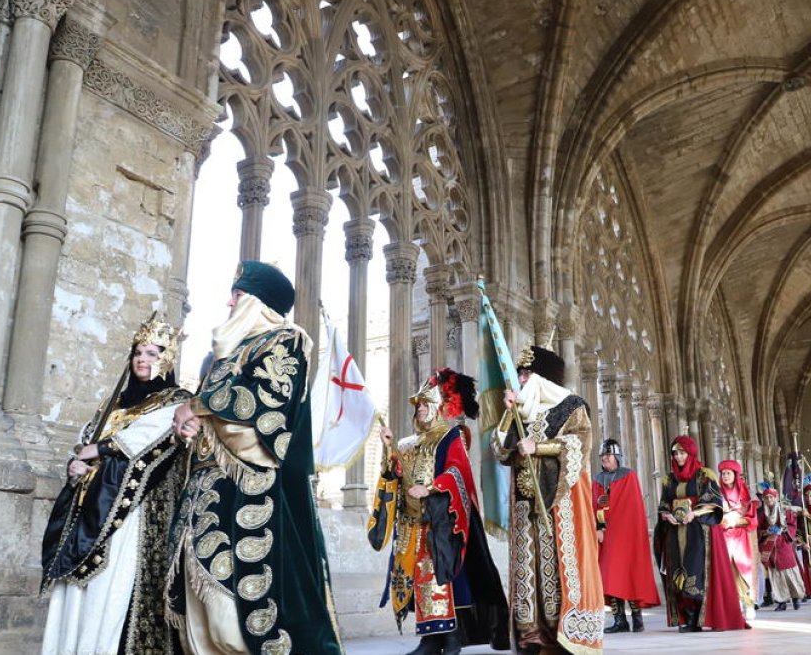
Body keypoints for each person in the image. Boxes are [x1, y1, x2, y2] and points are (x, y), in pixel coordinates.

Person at [167, 261, 342, 654]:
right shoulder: (224, 356)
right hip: (203, 489)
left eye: (239, 294)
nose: (229, 302)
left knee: (233, 617)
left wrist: (198, 407)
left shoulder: (285, 339)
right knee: (199, 620)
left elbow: (270, 404)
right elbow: (206, 418)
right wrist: (191, 426)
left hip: (247, 493)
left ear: (258, 302)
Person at [41, 314, 191, 655]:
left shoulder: (176, 401)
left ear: (166, 359)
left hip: (133, 514)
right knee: (75, 590)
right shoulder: (115, 404)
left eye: (153, 353)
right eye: (138, 352)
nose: (142, 358)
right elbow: (87, 436)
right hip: (88, 507)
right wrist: (77, 462)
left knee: (110, 588)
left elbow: (147, 438)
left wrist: (98, 450)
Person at [369, 368, 509, 655]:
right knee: (419, 580)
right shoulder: (406, 444)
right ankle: (430, 638)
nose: (420, 409)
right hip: (412, 523)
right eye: (417, 405)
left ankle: (451, 637)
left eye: (425, 404)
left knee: (441, 577)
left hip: (441, 520)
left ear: (436, 407)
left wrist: (431, 488)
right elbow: (395, 474)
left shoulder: (450, 436)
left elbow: (458, 471)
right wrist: (387, 449)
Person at [491, 345, 604, 654]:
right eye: (520, 374)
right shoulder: (519, 412)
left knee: (554, 566)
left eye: (527, 374)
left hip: (557, 502)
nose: (522, 380)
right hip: (524, 505)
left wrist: (538, 448)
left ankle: (558, 633)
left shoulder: (571, 406)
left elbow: (580, 442)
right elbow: (500, 450)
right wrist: (506, 416)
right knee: (527, 567)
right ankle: (531, 633)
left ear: (542, 376)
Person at [654, 436, 747, 632]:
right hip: (675, 532)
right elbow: (664, 503)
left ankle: (697, 616)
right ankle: (687, 615)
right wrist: (667, 515)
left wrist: (693, 513)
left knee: (695, 569)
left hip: (698, 532)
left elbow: (713, 502)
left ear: (690, 453)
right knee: (677, 570)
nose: (678, 456)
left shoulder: (705, 475)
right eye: (675, 453)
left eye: (682, 452)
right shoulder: (669, 480)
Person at [593, 438, 660, 634]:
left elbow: (632, 508)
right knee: (610, 577)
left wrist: (617, 525)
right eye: (603, 455)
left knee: (630, 575)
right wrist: (598, 527)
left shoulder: (628, 476)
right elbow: (594, 505)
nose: (605, 458)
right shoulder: (597, 480)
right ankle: (620, 620)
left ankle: (637, 619)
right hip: (605, 536)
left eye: (608, 455)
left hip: (625, 535)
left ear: (617, 456)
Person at [717, 459, 758, 616]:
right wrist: (723, 521)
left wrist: (736, 520)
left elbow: (752, 518)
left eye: (728, 473)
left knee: (743, 570)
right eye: (723, 473)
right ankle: (734, 604)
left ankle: (749, 604)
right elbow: (713, 515)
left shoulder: (744, 495)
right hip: (724, 537)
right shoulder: (717, 494)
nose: (725, 476)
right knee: (728, 570)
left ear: (735, 475)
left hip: (742, 538)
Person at [756, 487, 806, 611]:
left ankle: (796, 598)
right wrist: (765, 532)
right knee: (776, 574)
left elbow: (793, 525)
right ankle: (781, 601)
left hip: (783, 544)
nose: (769, 500)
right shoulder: (761, 514)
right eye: (766, 498)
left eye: (771, 497)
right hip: (770, 546)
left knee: (790, 572)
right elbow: (757, 529)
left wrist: (784, 529)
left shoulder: (785, 511)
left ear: (776, 498)